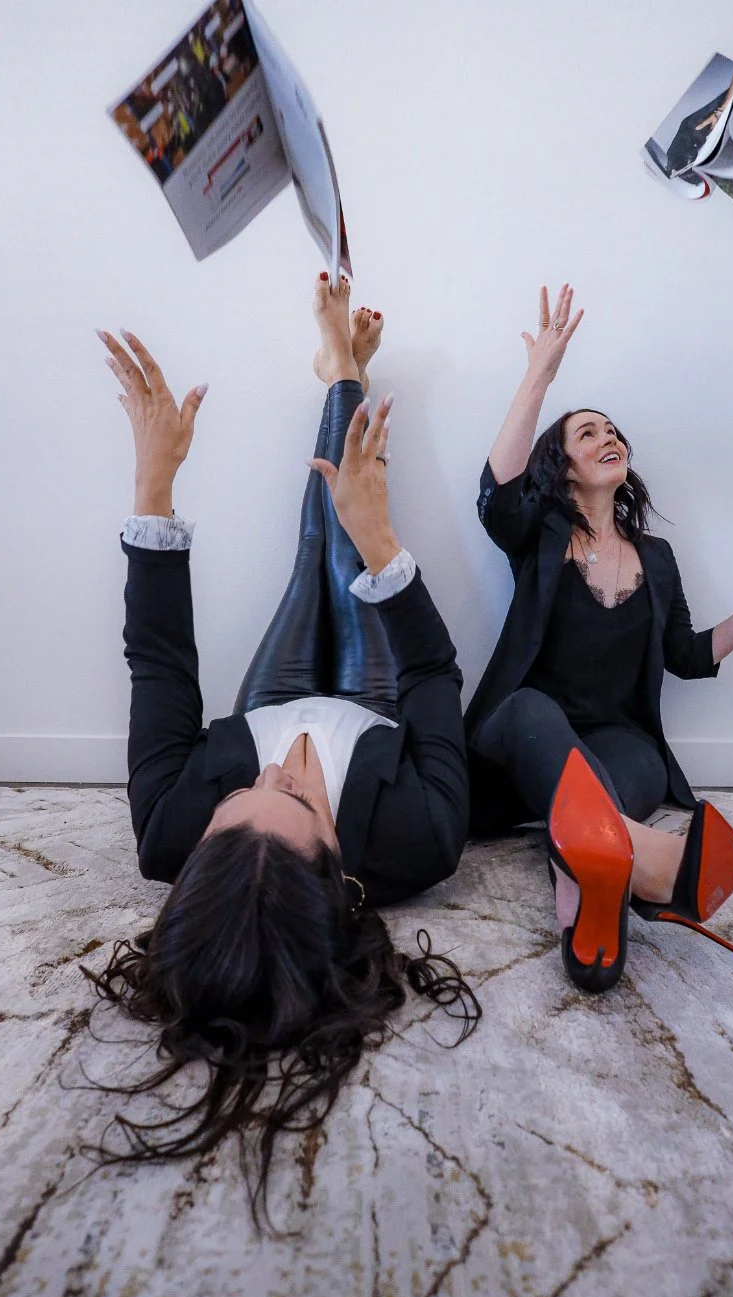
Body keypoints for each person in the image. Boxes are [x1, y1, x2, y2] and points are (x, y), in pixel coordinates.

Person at [88, 275, 479, 1222]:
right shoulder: (424, 841)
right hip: (376, 708)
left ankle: (341, 370)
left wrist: (153, 485)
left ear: (202, 842)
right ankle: (343, 371)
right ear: (345, 874)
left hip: (269, 698)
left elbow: (160, 664)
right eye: (298, 800)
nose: (281, 766)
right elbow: (435, 678)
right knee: (350, 544)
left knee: (314, 552)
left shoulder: (166, 828)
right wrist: (385, 548)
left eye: (240, 796)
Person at [467, 283, 733, 994]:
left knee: (612, 791)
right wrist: (540, 373)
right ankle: (658, 862)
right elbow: (496, 494)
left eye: (613, 431)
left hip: (621, 746)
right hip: (526, 737)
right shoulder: (540, 535)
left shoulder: (657, 560)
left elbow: (687, 657)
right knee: (531, 712)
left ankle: (595, 880)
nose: (608, 438)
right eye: (587, 434)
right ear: (563, 467)